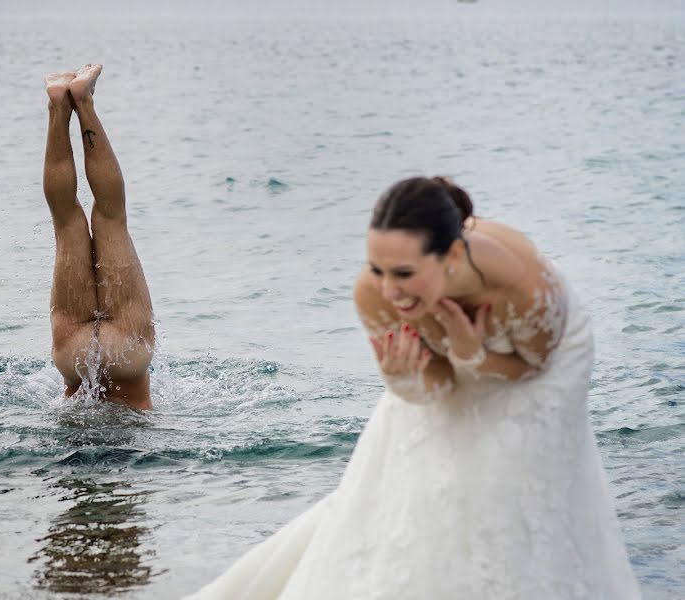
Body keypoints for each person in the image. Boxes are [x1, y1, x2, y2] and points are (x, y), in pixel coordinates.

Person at [187, 177, 640, 598]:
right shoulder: (373, 292)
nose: (388, 290)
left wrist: (471, 354)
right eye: (376, 269)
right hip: (467, 357)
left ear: (453, 258)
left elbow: (534, 365)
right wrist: (403, 379)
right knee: (425, 465)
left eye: (403, 273)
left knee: (509, 478)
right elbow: (436, 388)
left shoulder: (520, 286)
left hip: (540, 367)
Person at [42, 65, 154, 411]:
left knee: (67, 221)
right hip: (126, 351)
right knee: (110, 216)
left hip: (73, 354)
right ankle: (82, 102)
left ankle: (60, 105)